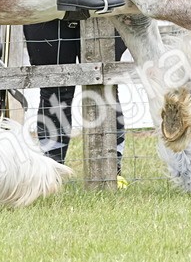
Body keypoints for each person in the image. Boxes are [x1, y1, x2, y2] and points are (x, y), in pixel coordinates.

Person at [22, 18, 128, 183]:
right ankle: (52, 170)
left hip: (105, 8)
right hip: (46, 12)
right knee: (54, 88)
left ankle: (113, 171)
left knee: (106, 86)